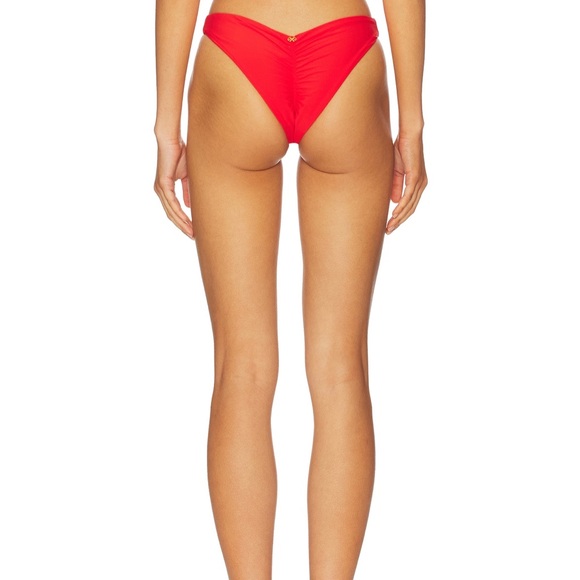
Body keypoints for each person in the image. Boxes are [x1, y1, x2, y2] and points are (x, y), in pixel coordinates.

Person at [153, 0, 427, 577]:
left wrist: (166, 125)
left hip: (237, 54)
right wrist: (412, 122)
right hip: (344, 53)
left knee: (242, 367)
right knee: (340, 367)